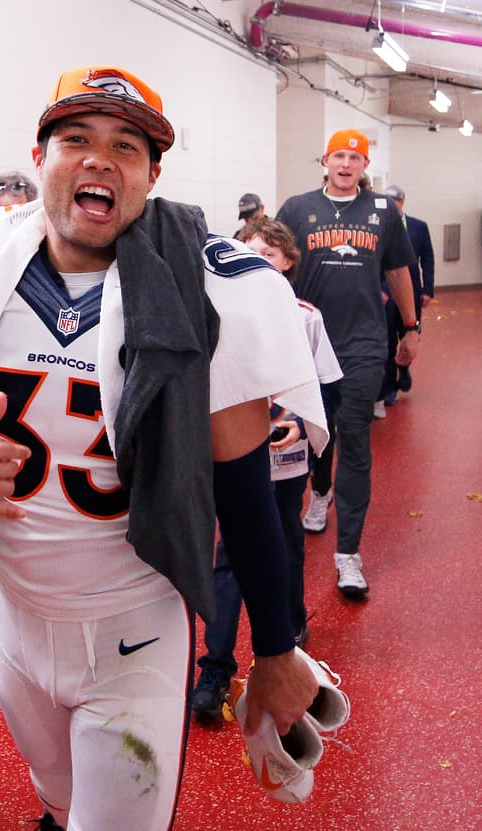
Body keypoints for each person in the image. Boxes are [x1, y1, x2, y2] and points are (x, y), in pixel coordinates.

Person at [0, 65, 325, 831]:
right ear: (41, 154)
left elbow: (244, 490)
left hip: (134, 630)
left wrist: (275, 649)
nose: (98, 158)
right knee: (61, 808)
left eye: (125, 145)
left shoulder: (213, 287)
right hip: (12, 624)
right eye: (76, 137)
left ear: (152, 174)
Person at [191, 217, 343, 719]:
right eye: (249, 250)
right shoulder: (215, 310)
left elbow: (324, 387)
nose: (260, 259)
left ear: (288, 264)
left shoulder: (303, 316)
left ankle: (285, 637)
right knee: (228, 557)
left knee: (285, 546)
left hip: (287, 461)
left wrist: (303, 424)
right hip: (235, 459)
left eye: (270, 253)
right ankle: (214, 666)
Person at [277, 129, 418, 595]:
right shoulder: (297, 209)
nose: (345, 163)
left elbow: (399, 270)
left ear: (364, 165)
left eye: (355, 157)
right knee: (317, 433)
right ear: (324, 160)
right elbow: (272, 267)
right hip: (308, 343)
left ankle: (349, 555)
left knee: (355, 437)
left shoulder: (381, 213)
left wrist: (411, 328)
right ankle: (319, 494)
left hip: (363, 344)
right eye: (339, 155)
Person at [379, 184, 434, 408]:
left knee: (409, 334)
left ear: (402, 202)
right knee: (389, 339)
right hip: (386, 294)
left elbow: (427, 259)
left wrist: (427, 289)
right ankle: (391, 386)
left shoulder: (419, 227)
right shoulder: (378, 227)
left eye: (395, 202)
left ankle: (404, 368)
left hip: (412, 292)